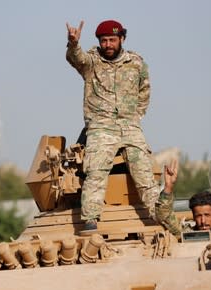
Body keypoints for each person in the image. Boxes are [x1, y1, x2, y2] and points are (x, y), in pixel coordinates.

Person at [66, 20, 159, 230]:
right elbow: (76, 59)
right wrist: (73, 43)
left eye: (112, 40)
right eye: (104, 40)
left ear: (122, 39)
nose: (108, 44)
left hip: (130, 126)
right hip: (101, 127)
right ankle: (90, 219)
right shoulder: (91, 62)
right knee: (96, 172)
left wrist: (136, 116)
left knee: (145, 173)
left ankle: (157, 214)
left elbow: (144, 91)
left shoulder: (136, 63)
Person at [156, 160, 211, 235]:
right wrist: (168, 187)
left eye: (207, 215)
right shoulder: (186, 234)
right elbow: (165, 216)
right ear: (193, 216)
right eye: (198, 216)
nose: (203, 221)